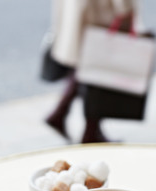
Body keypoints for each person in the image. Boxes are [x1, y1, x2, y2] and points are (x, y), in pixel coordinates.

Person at [44, 0, 143, 143]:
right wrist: (125, 8)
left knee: (88, 67)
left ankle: (63, 115)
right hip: (97, 11)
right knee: (97, 70)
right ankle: (89, 129)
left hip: (78, 7)